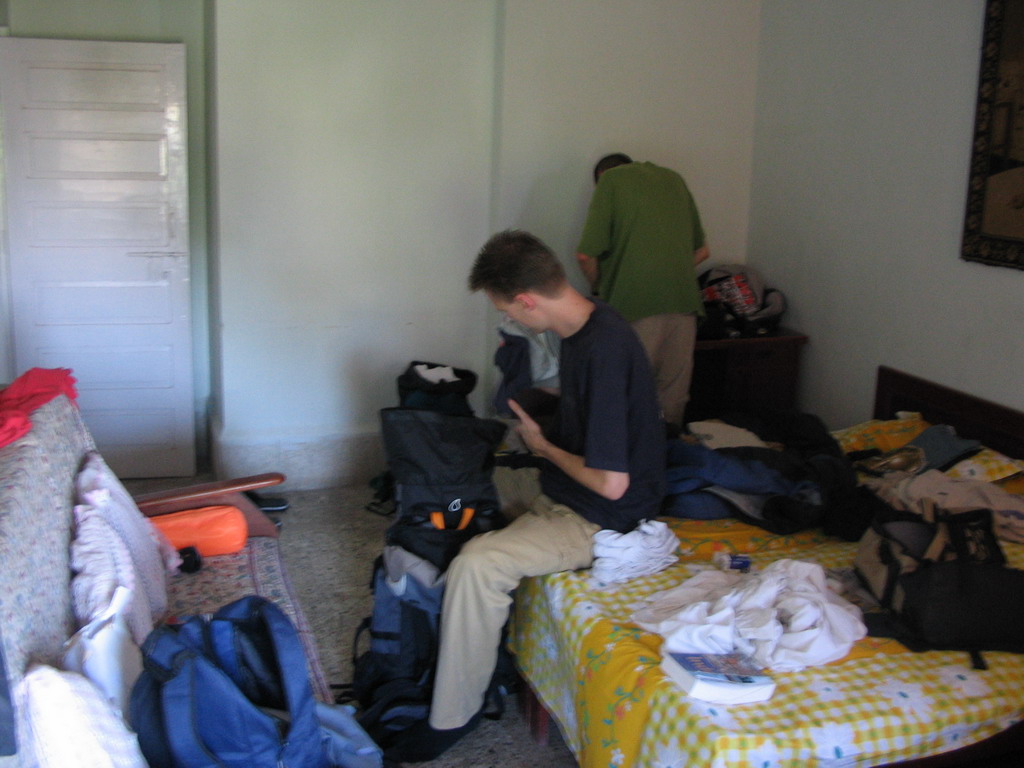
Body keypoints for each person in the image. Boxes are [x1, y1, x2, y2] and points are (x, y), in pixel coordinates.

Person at [388, 229, 665, 762]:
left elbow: (612, 483)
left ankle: (454, 717)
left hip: (604, 514)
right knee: (460, 491)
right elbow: (586, 408)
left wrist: (541, 446)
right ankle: (476, 643)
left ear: (527, 300)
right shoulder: (587, 327)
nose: (514, 321)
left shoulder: (606, 348)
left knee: (478, 563)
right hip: (568, 486)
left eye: (511, 313)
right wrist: (533, 403)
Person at [576, 153, 710, 430]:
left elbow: (585, 256)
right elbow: (702, 251)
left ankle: (627, 467)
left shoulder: (610, 182)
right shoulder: (674, 179)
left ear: (601, 178)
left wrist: (600, 288)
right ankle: (665, 459)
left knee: (627, 393)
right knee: (672, 396)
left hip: (634, 307)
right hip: (685, 305)